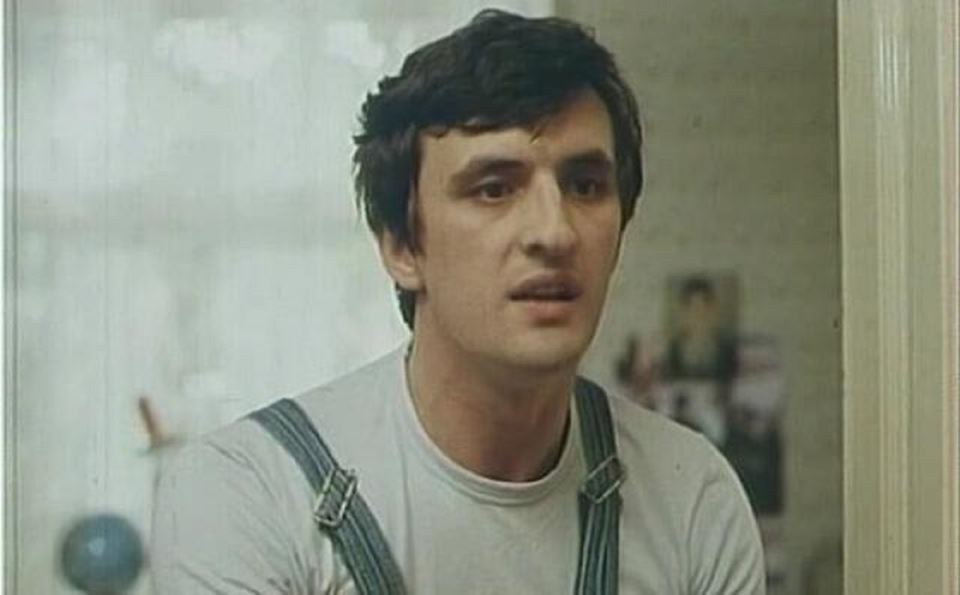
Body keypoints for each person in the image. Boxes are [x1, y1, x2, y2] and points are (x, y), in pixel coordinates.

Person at [152, 10, 765, 594]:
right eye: (494, 189)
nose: (554, 232)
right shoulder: (249, 491)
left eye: (585, 186)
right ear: (401, 247)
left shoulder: (692, 499)